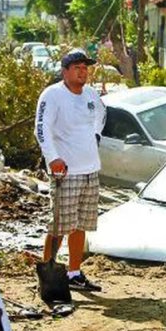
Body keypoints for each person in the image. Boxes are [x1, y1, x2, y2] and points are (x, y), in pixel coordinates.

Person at [34, 48, 106, 291]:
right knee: (59, 226)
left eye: (85, 68)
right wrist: (53, 157)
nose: (82, 72)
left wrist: (96, 134)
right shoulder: (52, 95)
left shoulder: (91, 94)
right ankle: (49, 274)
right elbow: (41, 128)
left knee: (80, 225)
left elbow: (102, 114)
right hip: (65, 171)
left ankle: (74, 273)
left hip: (90, 170)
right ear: (65, 71)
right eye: (77, 67)